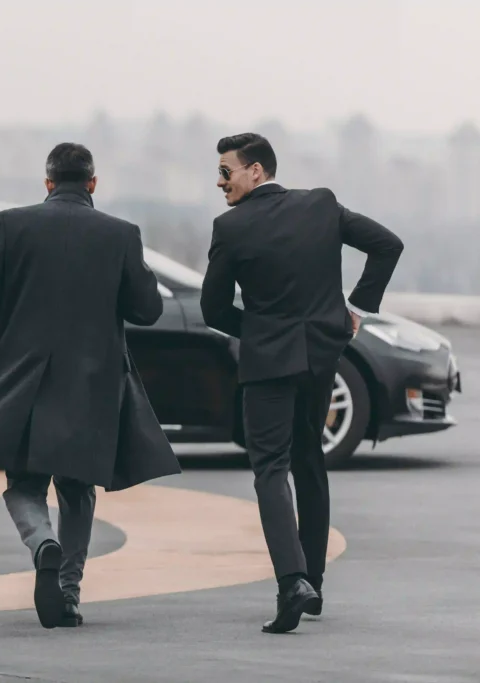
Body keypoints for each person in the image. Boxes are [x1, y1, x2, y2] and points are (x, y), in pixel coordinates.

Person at [0, 142, 181, 629]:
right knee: (78, 489)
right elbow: (147, 310)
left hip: (20, 376)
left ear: (48, 182)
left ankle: (41, 543)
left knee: (23, 484)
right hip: (92, 381)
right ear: (93, 184)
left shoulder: (12, 224)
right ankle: (69, 592)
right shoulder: (121, 234)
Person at [200, 133, 403, 634]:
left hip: (269, 363)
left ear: (256, 171)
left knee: (270, 469)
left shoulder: (230, 227)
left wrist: (262, 331)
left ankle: (292, 583)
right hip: (321, 359)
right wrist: (354, 310)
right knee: (309, 462)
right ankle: (313, 582)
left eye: (226, 171)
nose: (220, 181)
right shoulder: (321, 205)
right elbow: (387, 245)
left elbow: (212, 309)